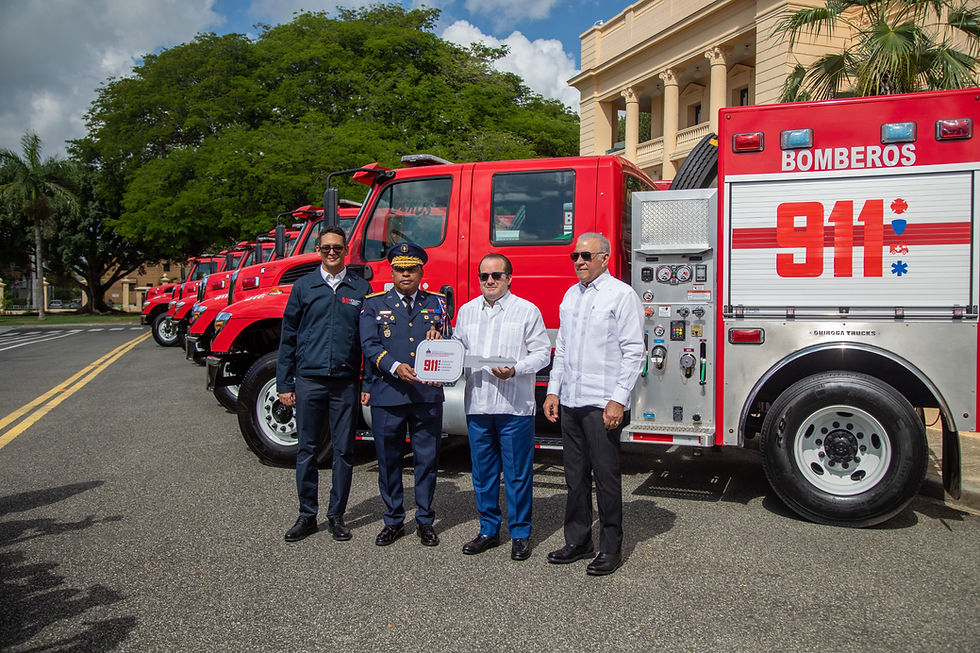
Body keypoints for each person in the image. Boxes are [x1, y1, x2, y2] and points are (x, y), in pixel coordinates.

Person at [543, 232, 644, 576]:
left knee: (606, 477)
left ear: (605, 258)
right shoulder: (571, 296)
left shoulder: (621, 296)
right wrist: (553, 391)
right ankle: (578, 540)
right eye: (575, 256)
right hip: (571, 400)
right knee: (574, 477)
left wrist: (618, 399)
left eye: (587, 255)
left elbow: (634, 351)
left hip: (602, 403)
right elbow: (564, 350)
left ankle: (610, 548)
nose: (580, 261)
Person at [277, 226, 372, 543]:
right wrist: (284, 382)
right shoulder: (304, 287)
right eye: (326, 247)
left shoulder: (360, 289)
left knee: (344, 451)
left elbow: (368, 341)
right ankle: (307, 515)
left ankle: (336, 515)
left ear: (346, 251)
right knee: (307, 450)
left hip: (344, 383)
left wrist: (368, 380)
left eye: (338, 248)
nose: (332, 252)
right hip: (309, 381)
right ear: (318, 250)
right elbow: (288, 337)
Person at [453, 253, 551, 561]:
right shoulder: (466, 312)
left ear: (509, 278)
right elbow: (457, 351)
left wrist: (516, 368)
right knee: (483, 474)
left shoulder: (526, 311)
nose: (490, 281)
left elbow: (543, 353)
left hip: (514, 406)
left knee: (517, 473)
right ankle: (488, 530)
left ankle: (520, 533)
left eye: (496, 275)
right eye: (484, 276)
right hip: (479, 405)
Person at [359, 242, 448, 547]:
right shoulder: (373, 304)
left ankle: (425, 520)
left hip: (426, 395)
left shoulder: (437, 303)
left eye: (411, 269)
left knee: (427, 460)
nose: (405, 274)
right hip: (389, 393)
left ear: (421, 271)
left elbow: (450, 341)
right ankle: (393, 520)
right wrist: (395, 367)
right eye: (400, 269)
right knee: (389, 460)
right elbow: (370, 346)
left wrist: (441, 337)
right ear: (392, 271)